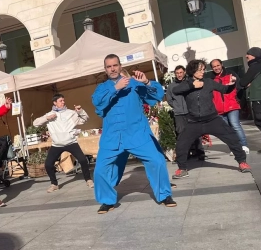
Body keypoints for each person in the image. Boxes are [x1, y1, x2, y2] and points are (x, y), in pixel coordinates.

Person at [91, 54, 175, 214]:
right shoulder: (102, 87)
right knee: (100, 169)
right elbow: (97, 102)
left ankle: (165, 195)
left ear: (120, 66)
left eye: (115, 65)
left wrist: (147, 82)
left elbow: (156, 95)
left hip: (137, 134)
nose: (112, 69)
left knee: (157, 160)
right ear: (105, 69)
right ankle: (107, 201)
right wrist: (116, 88)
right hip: (112, 137)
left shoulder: (134, 84)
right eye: (109, 66)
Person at [171, 59, 251, 179]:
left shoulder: (208, 82)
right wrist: (191, 85)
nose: (203, 72)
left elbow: (225, 90)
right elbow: (175, 90)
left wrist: (232, 84)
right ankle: (182, 169)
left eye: (203, 69)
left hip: (212, 119)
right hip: (193, 122)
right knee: (182, 144)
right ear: (193, 71)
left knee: (232, 137)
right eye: (200, 70)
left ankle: (242, 162)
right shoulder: (186, 84)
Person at [33, 94, 93, 192]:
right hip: (57, 144)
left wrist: (80, 111)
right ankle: (54, 184)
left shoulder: (71, 113)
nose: (63, 102)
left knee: (83, 160)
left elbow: (85, 120)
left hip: (71, 142)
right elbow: (35, 123)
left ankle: (88, 180)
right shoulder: (49, 114)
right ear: (55, 103)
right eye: (61, 101)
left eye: (63, 100)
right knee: (48, 164)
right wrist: (47, 118)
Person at [210, 59, 250, 155]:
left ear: (222, 65)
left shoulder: (231, 74)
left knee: (235, 125)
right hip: (219, 108)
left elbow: (240, 86)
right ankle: (235, 147)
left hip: (231, 105)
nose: (216, 68)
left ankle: (244, 145)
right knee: (228, 129)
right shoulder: (211, 79)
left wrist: (239, 99)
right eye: (214, 66)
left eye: (218, 65)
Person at [166, 65, 206, 160]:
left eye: (181, 72)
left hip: (191, 112)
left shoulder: (190, 82)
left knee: (195, 132)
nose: (179, 75)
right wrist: (176, 106)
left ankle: (200, 153)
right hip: (179, 114)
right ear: (175, 74)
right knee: (182, 134)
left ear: (184, 73)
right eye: (177, 73)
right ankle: (185, 154)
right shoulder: (171, 86)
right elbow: (169, 99)